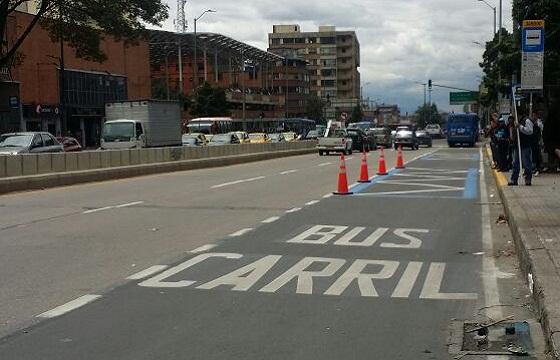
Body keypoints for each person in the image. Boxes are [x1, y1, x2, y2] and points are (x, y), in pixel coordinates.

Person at [509, 112, 534, 186]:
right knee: (515, 163)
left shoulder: (526, 121)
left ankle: (528, 179)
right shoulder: (516, 121)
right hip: (517, 146)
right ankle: (514, 179)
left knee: (526, 163)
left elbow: (530, 131)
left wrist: (520, 127)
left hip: (525, 146)